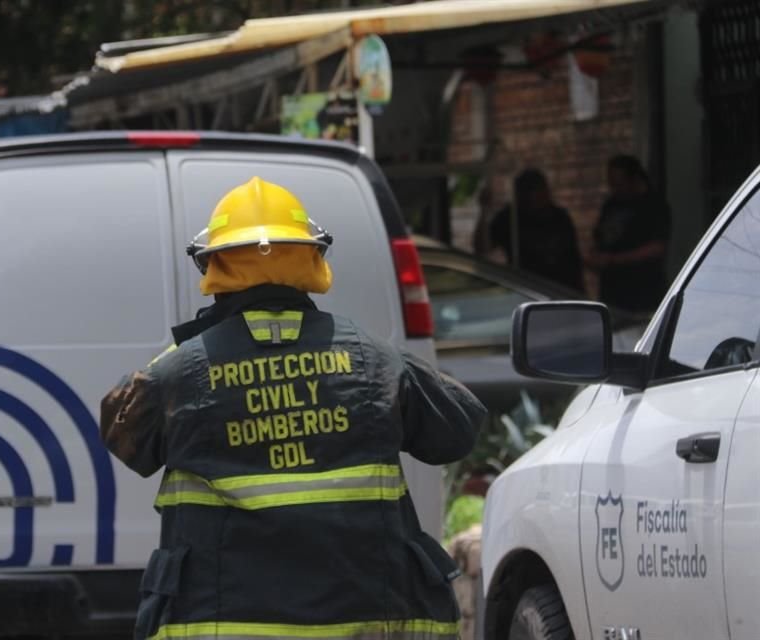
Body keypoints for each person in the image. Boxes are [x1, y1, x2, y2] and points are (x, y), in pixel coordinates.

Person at [100, 177, 486, 640]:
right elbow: (458, 429)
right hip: (367, 624)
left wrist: (188, 354)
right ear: (312, 261)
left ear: (214, 265)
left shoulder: (181, 372)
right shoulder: (374, 359)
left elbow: (122, 434)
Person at [474, 169, 585, 292]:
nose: (545, 195)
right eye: (538, 191)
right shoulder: (510, 219)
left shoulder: (559, 217)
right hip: (528, 290)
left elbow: (573, 259)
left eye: (544, 190)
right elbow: (482, 247)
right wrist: (484, 211)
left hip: (562, 289)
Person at [585, 155, 670, 313]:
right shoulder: (611, 205)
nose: (615, 188)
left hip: (643, 292)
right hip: (612, 293)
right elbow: (600, 239)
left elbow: (657, 247)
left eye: (619, 183)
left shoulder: (653, 205)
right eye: (612, 183)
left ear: (634, 179)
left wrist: (615, 260)